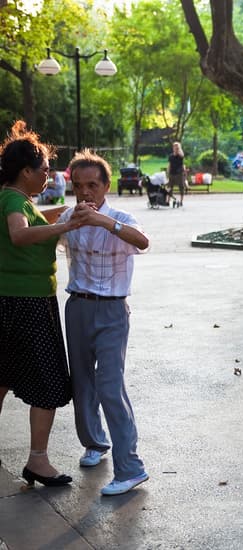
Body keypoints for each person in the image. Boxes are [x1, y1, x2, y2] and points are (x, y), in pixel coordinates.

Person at [57, 150, 151, 495]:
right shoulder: (70, 216)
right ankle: (95, 443)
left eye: (92, 185)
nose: (85, 193)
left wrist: (103, 222)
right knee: (81, 382)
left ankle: (131, 467)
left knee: (110, 385)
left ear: (106, 185)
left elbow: (143, 242)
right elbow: (42, 231)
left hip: (112, 310)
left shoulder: (121, 218)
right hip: (78, 307)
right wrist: (70, 222)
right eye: (78, 186)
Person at [0, 121, 86, 488]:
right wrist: (63, 228)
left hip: (12, 299)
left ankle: (38, 459)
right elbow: (19, 234)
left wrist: (66, 213)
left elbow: (32, 221)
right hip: (28, 302)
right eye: (45, 171)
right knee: (49, 382)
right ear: (25, 172)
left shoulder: (11, 197)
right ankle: (38, 460)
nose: (48, 177)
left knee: (2, 376)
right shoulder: (13, 200)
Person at [168, 142, 186, 207]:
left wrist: (179, 149)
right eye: (174, 147)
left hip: (179, 174)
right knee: (170, 187)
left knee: (181, 187)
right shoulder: (171, 156)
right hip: (172, 173)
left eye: (177, 147)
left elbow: (182, 155)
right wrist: (168, 173)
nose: (175, 148)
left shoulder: (180, 156)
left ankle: (181, 201)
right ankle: (168, 201)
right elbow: (169, 165)